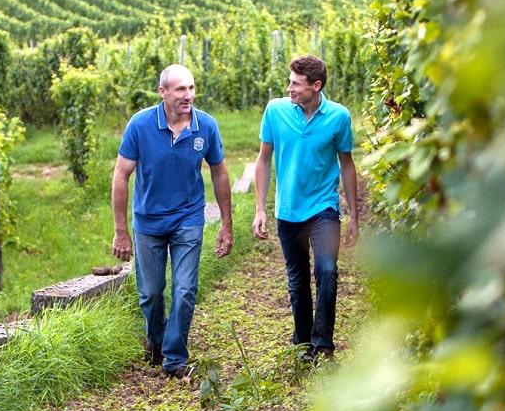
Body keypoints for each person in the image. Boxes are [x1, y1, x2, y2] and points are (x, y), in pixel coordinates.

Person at [112, 63, 234, 378]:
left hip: (188, 218)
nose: (188, 95)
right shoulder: (140, 125)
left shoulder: (206, 127)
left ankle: (175, 357)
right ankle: (156, 340)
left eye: (191, 88)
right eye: (181, 89)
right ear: (163, 92)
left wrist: (226, 224)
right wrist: (121, 231)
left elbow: (219, 172)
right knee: (151, 293)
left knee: (185, 289)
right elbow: (121, 175)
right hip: (148, 222)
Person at [252, 54, 358, 361]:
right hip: (288, 210)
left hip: (324, 208)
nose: (289, 88)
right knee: (297, 278)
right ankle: (302, 343)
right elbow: (263, 159)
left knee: (326, 270)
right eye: (289, 82)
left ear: (316, 85)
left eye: (296, 84)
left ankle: (323, 344)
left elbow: (347, 164)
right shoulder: (275, 111)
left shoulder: (339, 117)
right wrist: (260, 208)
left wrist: (352, 215)